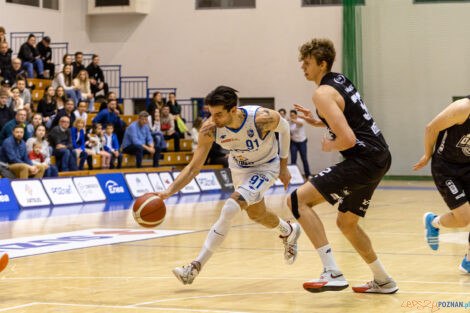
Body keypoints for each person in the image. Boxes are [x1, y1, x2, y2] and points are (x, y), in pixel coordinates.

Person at [155, 85, 300, 285]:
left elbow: (284, 131)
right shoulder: (210, 129)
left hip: (266, 167)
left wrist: (284, 167)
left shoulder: (262, 118)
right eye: (211, 114)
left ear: (233, 110)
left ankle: (194, 267)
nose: (213, 120)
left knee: (231, 207)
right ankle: (289, 230)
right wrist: (168, 192)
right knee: (256, 214)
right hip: (240, 169)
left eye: (218, 114)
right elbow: (193, 168)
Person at [286, 38, 397, 294]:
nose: (303, 66)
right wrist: (319, 122)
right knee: (347, 224)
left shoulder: (321, 93)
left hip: (364, 159)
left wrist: (329, 145)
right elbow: (352, 117)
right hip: (380, 155)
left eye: (307, 62)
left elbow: (346, 138)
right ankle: (383, 279)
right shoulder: (340, 80)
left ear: (321, 63)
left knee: (296, 201)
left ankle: (332, 273)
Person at [414, 96, 470, 273]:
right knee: (464, 219)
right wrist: (427, 154)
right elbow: (431, 127)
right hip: (446, 168)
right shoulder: (463, 108)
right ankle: (434, 222)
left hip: (467, 166)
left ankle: (468, 262)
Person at [289, 109, 311, 179]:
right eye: (290, 115)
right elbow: (289, 131)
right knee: (293, 159)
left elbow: (300, 124)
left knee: (304, 159)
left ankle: (308, 175)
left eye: (292, 115)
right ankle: (293, 176)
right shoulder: (290, 123)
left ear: (296, 115)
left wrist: (292, 120)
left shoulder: (300, 120)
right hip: (293, 143)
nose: (291, 116)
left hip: (302, 142)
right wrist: (290, 135)